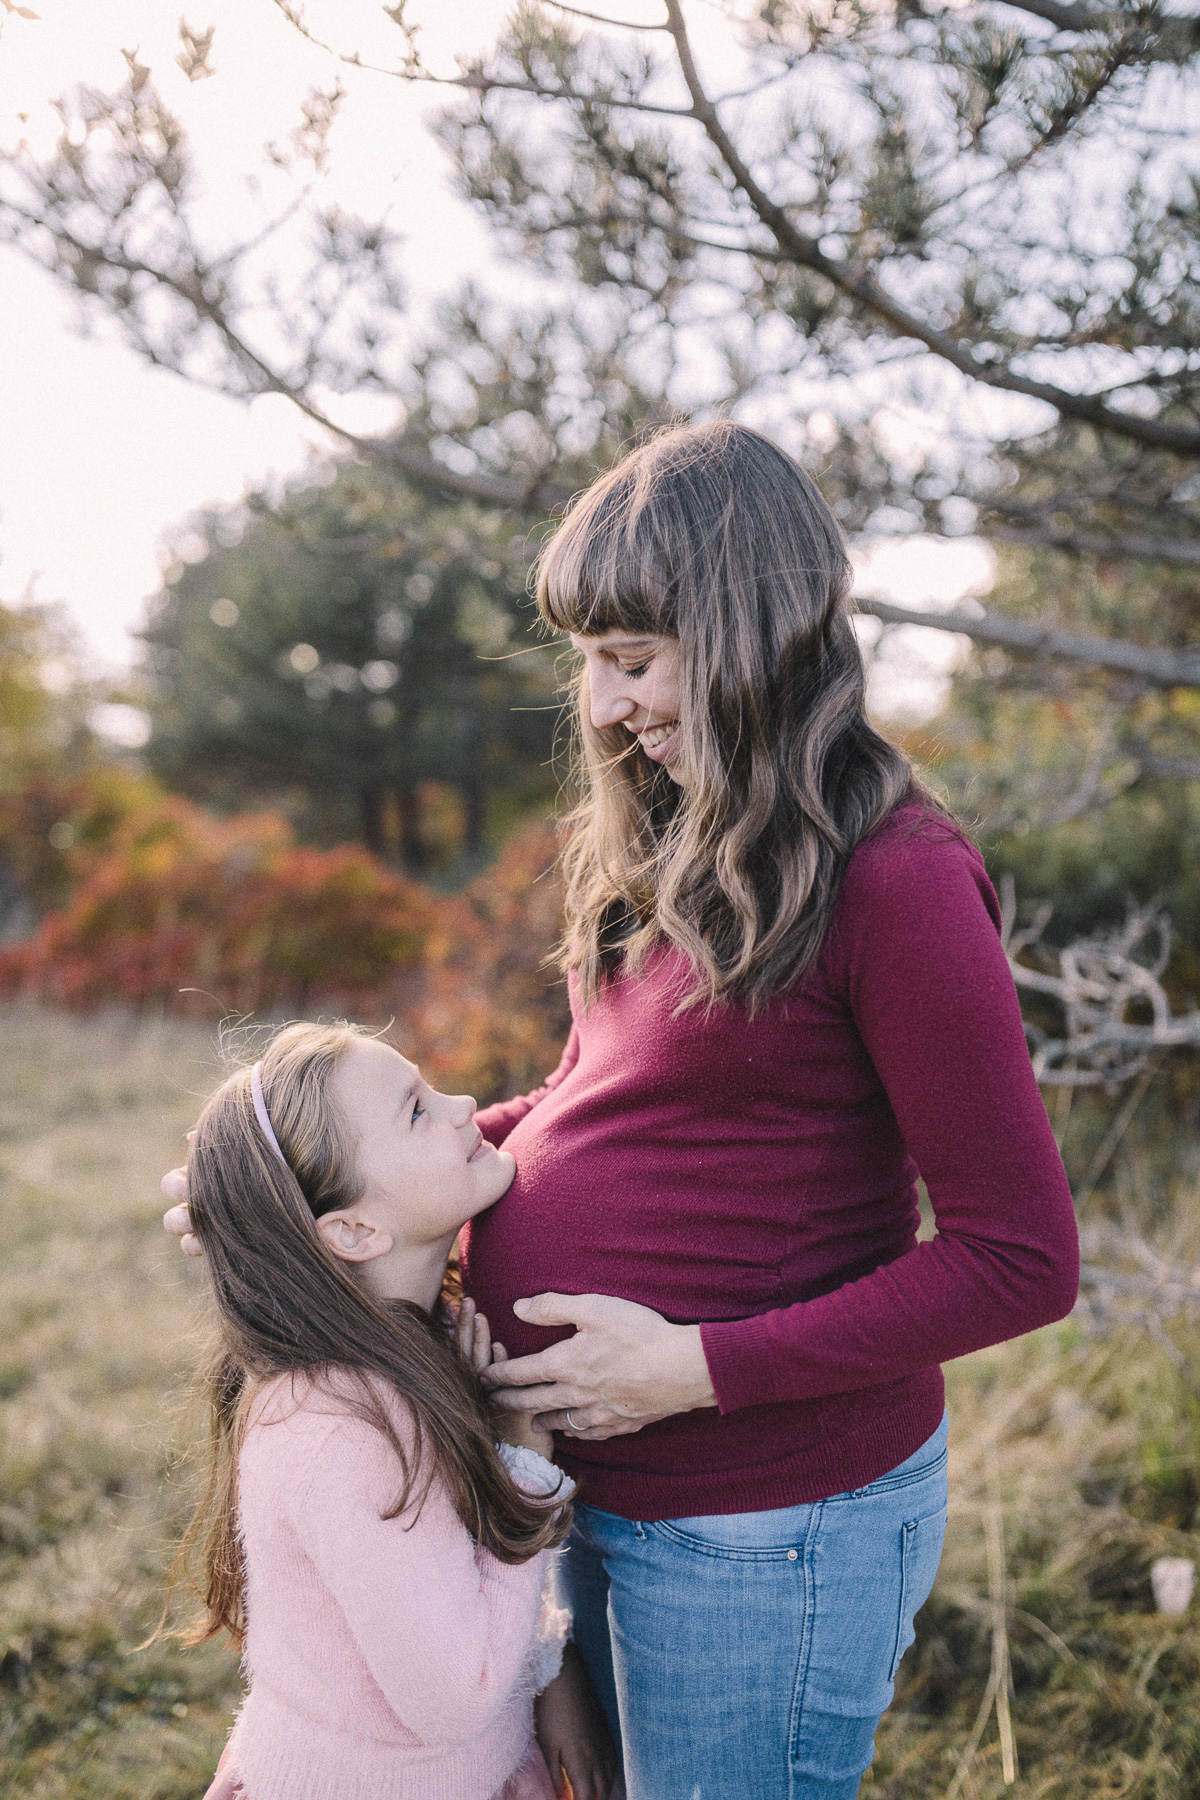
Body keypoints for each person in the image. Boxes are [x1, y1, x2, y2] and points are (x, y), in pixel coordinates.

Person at [168, 421, 1079, 1799]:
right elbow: (613, 1104)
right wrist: (297, 1193)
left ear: (749, 635)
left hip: (768, 1522)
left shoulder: (897, 881)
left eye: (633, 661)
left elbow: (1022, 1260)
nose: (600, 707)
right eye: (589, 663)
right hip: (576, 1486)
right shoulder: (670, 844)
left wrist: (697, 1370)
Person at [163, 1021, 617, 1800]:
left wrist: (548, 1672)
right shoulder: (333, 1430)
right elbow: (455, 1695)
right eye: (416, 1111)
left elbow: (452, 1576)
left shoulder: (416, 1339)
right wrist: (525, 1468)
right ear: (353, 1230)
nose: (466, 1102)